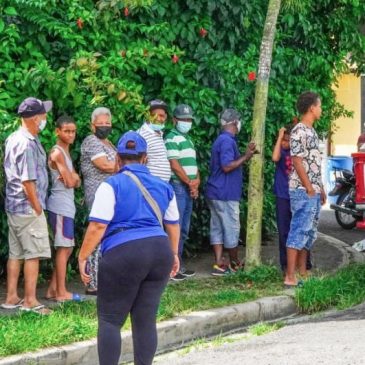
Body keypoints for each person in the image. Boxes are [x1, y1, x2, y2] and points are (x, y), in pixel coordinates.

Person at [78, 131, 180, 365]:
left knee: (110, 320)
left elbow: (97, 226)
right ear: (145, 158)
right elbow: (173, 225)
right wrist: (174, 254)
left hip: (124, 252)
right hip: (159, 252)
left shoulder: (111, 185)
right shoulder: (164, 186)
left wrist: (83, 257)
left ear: (118, 158)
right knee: (145, 320)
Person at [1, 97, 52, 314]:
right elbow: (27, 181)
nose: (46, 118)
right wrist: (37, 207)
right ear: (34, 118)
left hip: (15, 208)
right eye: (43, 115)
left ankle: (11, 297)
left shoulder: (15, 138)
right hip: (28, 208)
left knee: (16, 253)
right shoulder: (26, 143)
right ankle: (30, 301)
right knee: (33, 253)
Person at [205, 108, 256, 276]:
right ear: (234, 122)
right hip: (225, 194)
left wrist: (243, 155)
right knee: (231, 228)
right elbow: (227, 166)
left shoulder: (221, 140)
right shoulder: (227, 141)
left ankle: (219, 263)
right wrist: (246, 156)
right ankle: (234, 264)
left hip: (215, 192)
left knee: (217, 228)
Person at [285, 91, 326, 288]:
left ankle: (302, 272)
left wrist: (321, 188)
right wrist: (309, 187)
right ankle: (290, 276)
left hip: (313, 189)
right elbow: (297, 161)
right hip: (302, 190)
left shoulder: (312, 131)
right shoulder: (299, 131)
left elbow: (314, 164)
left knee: (309, 232)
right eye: (319, 106)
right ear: (312, 108)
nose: (321, 109)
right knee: (298, 230)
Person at [80, 107, 117, 295]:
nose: (104, 126)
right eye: (100, 124)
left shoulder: (108, 143)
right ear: (92, 125)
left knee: (107, 238)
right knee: (96, 236)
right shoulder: (91, 141)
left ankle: (104, 278)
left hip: (110, 196)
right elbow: (104, 165)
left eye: (107, 124)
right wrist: (124, 166)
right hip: (97, 196)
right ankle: (92, 282)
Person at [45, 115, 82, 302]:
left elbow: (76, 180)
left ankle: (53, 289)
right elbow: (70, 181)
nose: (70, 134)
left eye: (73, 131)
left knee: (67, 248)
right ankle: (61, 293)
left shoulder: (66, 152)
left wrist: (73, 178)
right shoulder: (57, 152)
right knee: (63, 248)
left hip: (67, 206)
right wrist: (73, 178)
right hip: (60, 206)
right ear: (57, 131)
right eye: (66, 131)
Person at [165, 104, 199, 281]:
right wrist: (190, 183)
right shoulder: (171, 138)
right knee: (175, 227)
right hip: (178, 186)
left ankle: (178, 264)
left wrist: (196, 182)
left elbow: (193, 164)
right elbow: (174, 165)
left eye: (189, 119)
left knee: (183, 229)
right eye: (183, 119)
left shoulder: (189, 139)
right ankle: (171, 267)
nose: (187, 122)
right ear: (175, 120)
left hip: (188, 187)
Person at [272, 124, 312, 274]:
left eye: (287, 140)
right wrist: (279, 137)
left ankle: (305, 265)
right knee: (284, 231)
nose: (284, 144)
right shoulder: (281, 151)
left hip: (299, 194)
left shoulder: (300, 152)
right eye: (283, 140)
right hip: (282, 195)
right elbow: (274, 157)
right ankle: (285, 265)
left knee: (302, 230)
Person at [137, 99, 171, 182]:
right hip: (150, 185)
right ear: (147, 116)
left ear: (165, 117)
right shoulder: (141, 134)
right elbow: (137, 163)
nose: (158, 118)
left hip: (160, 185)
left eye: (161, 115)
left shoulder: (159, 133)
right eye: (153, 115)